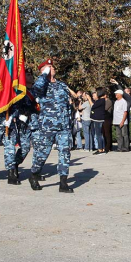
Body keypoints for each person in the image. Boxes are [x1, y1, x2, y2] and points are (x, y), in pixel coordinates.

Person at [29, 59, 76, 193]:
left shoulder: (62, 85)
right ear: (42, 70)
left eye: (52, 66)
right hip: (48, 125)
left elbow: (67, 103)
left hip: (63, 125)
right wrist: (44, 74)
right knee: (43, 153)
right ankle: (34, 174)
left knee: (65, 153)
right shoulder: (42, 84)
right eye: (49, 67)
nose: (52, 68)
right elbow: (37, 88)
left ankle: (63, 183)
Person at [1, 70, 40, 185]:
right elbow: (15, 106)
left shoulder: (36, 90)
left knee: (39, 148)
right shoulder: (20, 91)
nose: (30, 76)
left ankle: (35, 171)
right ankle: (14, 166)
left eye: (31, 75)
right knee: (25, 148)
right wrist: (17, 116)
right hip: (24, 124)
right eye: (28, 75)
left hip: (36, 123)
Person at [90, 89, 106, 155]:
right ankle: (103, 148)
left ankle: (100, 149)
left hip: (98, 119)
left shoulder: (100, 100)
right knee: (100, 135)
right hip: (99, 119)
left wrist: (89, 99)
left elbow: (93, 106)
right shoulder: (101, 100)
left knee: (98, 135)